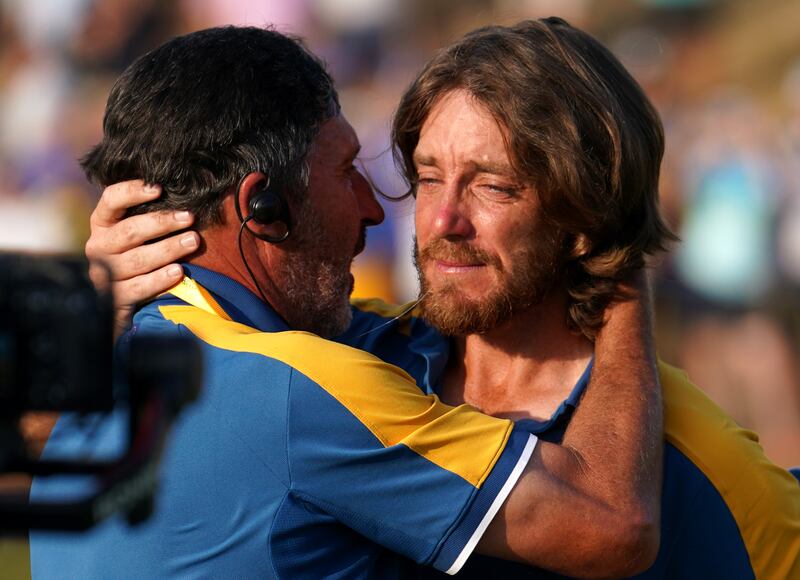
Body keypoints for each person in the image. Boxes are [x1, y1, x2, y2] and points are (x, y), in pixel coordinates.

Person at [89, 18, 800, 579]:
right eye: (428, 177)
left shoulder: (697, 462)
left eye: (492, 185)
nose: (441, 222)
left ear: (585, 214)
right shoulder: (350, 360)